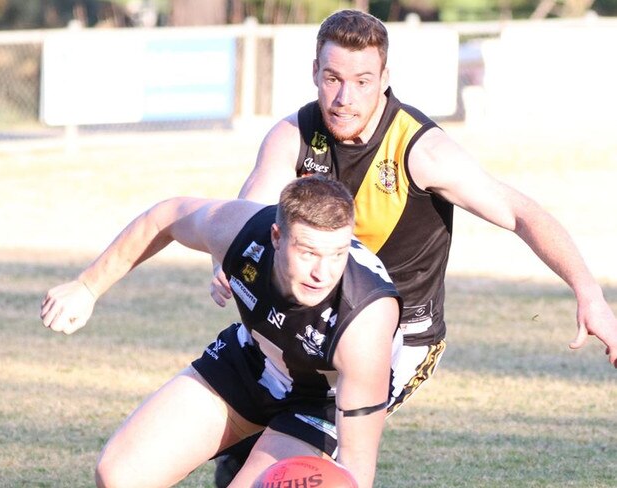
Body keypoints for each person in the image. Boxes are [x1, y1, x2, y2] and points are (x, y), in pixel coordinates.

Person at [210, 8, 617, 486]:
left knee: (270, 474)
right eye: (333, 78)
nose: (346, 97)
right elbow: (252, 209)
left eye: (363, 80)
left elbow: (519, 212)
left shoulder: (420, 150)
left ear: (385, 78)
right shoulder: (294, 135)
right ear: (315, 73)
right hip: (306, 322)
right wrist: (226, 257)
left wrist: (587, 291)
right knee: (237, 459)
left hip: (399, 339)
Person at [40, 176, 402, 488]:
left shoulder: (365, 320)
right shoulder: (243, 234)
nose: (323, 273)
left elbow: (355, 470)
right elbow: (164, 216)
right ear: (277, 237)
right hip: (255, 358)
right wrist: (87, 287)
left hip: (322, 398)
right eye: (308, 252)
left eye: (337, 254)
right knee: (119, 474)